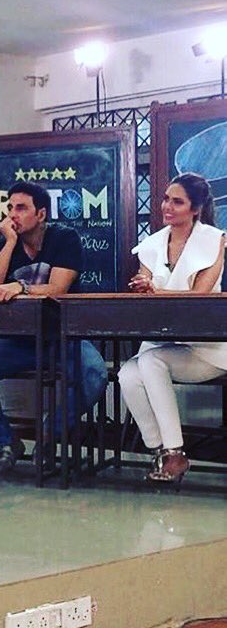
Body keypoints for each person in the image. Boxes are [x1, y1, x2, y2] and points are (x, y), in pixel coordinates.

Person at [0, 181, 107, 471]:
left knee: (95, 374)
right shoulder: (2, 244)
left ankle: (49, 435)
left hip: (63, 337)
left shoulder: (64, 238)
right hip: (20, 340)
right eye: (10, 208)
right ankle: (7, 442)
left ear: (41, 214)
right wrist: (9, 243)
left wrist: (20, 287)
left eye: (21, 208)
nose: (12, 214)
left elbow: (58, 288)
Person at [118, 173, 226, 484]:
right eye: (166, 199)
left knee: (152, 362)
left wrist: (155, 289)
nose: (167, 206)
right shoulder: (151, 244)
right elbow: (146, 291)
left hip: (206, 346)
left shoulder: (214, 239)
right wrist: (142, 287)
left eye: (177, 202)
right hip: (162, 339)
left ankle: (175, 453)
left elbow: (200, 295)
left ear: (196, 208)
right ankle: (161, 452)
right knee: (127, 375)